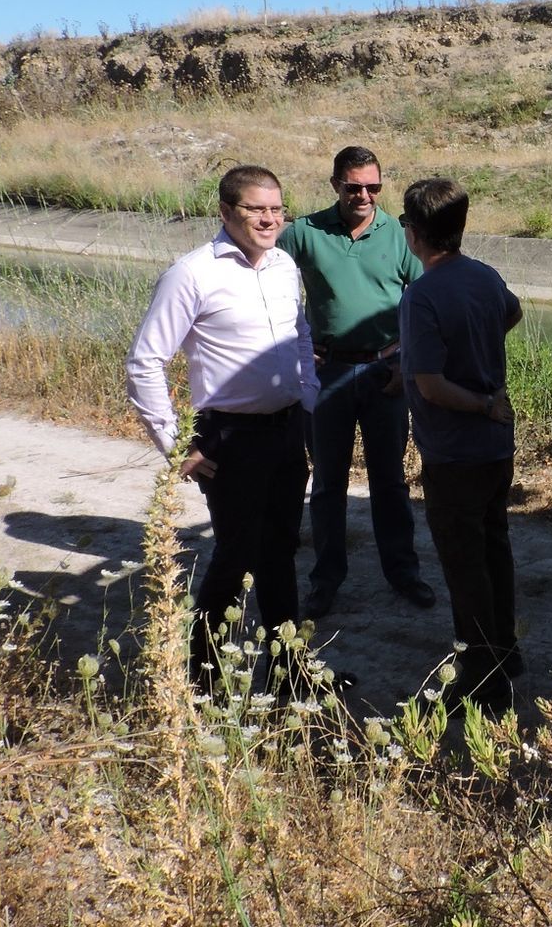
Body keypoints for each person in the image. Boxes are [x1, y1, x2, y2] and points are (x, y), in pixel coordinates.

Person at [125, 164, 318, 684]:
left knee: (281, 551)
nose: (269, 219)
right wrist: (174, 442)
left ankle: (288, 673)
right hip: (229, 437)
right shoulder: (191, 274)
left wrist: (311, 395)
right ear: (226, 212)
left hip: (286, 429)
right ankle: (200, 680)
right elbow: (145, 361)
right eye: (256, 209)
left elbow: (300, 335)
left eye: (277, 209)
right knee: (235, 556)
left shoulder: (282, 266)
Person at [278, 146, 433, 620]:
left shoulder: (398, 234)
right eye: (353, 187)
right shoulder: (305, 232)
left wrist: (404, 362)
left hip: (385, 375)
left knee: (390, 482)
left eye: (373, 187)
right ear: (335, 185)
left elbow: (425, 299)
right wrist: (295, 343)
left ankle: (403, 573)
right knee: (327, 483)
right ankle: (326, 580)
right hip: (327, 376)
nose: (364, 195)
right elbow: (261, 283)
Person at [397, 176, 524, 713]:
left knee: (464, 567)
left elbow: (431, 386)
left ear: (414, 232)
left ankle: (481, 682)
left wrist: (479, 400)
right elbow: (512, 311)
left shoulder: (421, 295)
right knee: (495, 553)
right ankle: (505, 653)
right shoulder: (485, 276)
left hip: (453, 453)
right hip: (496, 451)